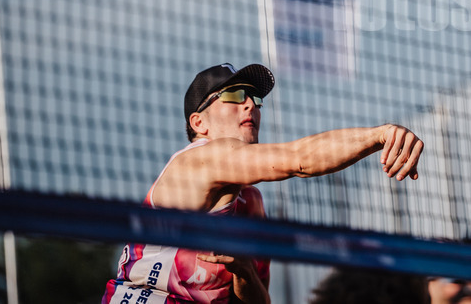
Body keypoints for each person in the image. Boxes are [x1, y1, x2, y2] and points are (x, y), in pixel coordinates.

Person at [102, 63, 425, 304]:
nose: (250, 104)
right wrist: (380, 136)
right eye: (233, 94)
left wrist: (244, 272)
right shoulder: (199, 159)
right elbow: (298, 159)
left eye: (255, 97)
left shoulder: (251, 202)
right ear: (198, 122)